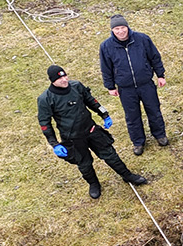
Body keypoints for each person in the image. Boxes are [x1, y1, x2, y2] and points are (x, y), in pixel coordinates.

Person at [38, 64, 148, 199]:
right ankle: (94, 184)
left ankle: (127, 175)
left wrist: (104, 114)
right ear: (52, 81)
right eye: (60, 79)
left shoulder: (76, 86)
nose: (65, 80)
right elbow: (45, 123)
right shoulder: (45, 99)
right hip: (73, 138)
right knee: (84, 164)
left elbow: (91, 100)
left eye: (65, 76)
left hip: (91, 129)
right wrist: (55, 144)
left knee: (110, 154)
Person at [99, 15, 168, 156]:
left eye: (122, 27)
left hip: (146, 84)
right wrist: (110, 86)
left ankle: (160, 135)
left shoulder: (142, 39)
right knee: (132, 116)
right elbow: (106, 67)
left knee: (154, 111)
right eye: (117, 29)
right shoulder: (106, 46)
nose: (120, 31)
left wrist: (160, 75)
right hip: (126, 89)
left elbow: (154, 57)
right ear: (112, 30)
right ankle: (138, 142)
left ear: (127, 27)